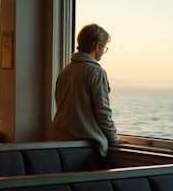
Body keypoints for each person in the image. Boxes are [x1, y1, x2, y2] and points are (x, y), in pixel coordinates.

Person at [51, 23, 122, 156]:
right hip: (85, 148)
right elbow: (103, 112)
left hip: (58, 144)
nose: (103, 52)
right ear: (97, 46)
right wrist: (114, 139)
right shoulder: (96, 72)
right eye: (104, 47)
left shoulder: (65, 71)